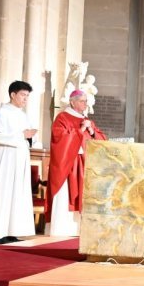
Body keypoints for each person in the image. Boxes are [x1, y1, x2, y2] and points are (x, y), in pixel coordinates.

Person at [45, 89, 107, 236]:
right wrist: (81, 130)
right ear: (72, 102)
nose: (85, 104)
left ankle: (79, 228)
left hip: (85, 163)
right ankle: (62, 228)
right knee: (66, 194)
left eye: (86, 101)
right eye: (82, 101)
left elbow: (102, 139)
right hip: (68, 163)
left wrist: (92, 131)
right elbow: (59, 138)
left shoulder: (87, 120)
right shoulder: (62, 118)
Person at [0, 80, 37, 244]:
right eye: (22, 95)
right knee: (3, 192)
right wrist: (22, 135)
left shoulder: (22, 114)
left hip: (19, 159)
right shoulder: (2, 112)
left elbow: (27, 137)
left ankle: (13, 230)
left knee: (17, 194)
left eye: (27, 96)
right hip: (5, 159)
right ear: (13, 94)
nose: (25, 99)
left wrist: (30, 138)